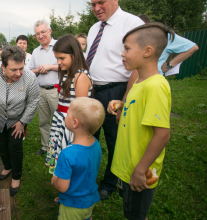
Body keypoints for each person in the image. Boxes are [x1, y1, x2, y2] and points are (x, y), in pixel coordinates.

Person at [108, 23, 173, 220]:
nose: (123, 53)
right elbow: (137, 108)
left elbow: (162, 134)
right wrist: (120, 104)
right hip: (128, 166)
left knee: (135, 216)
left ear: (147, 51)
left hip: (138, 172)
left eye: (127, 48)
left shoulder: (155, 86)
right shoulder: (139, 82)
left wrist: (140, 169)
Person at [86, 0, 144, 200]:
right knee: (89, 137)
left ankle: (110, 183)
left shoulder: (132, 23)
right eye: (92, 4)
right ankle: (88, 177)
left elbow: (138, 66)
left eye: (100, 2)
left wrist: (124, 101)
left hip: (116, 91)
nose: (96, 8)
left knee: (114, 141)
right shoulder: (94, 28)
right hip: (93, 91)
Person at [0, 46, 40, 196]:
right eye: (13, 70)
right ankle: (7, 166)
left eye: (21, 68)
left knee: (15, 146)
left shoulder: (29, 77)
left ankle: (16, 176)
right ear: (3, 67)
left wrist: (22, 122)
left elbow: (33, 101)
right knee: (1, 144)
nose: (19, 73)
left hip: (17, 118)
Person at [45, 35, 93, 175]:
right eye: (57, 58)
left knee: (70, 156)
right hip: (62, 121)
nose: (58, 62)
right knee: (60, 154)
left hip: (72, 124)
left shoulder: (80, 76)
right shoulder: (68, 74)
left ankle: (69, 188)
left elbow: (81, 108)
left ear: (74, 55)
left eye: (62, 58)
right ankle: (62, 183)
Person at [51, 97, 105, 220]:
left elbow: (62, 187)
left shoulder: (67, 154)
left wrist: (54, 180)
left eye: (68, 112)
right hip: (90, 200)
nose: (66, 114)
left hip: (72, 205)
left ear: (75, 123)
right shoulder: (96, 144)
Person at [29, 19, 59, 155]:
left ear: (50, 31)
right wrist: (38, 70)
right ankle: (46, 147)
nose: (40, 36)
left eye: (43, 32)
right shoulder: (35, 51)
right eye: (37, 34)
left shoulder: (60, 46)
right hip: (41, 90)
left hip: (57, 90)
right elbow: (30, 71)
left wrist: (50, 67)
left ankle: (60, 147)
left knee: (59, 120)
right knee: (43, 121)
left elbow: (68, 66)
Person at [16, 34, 32, 140]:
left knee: (25, 108)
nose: (22, 45)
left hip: (27, 86)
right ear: (16, 44)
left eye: (24, 43)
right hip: (14, 86)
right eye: (20, 43)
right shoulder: (11, 56)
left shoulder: (30, 57)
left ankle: (23, 129)